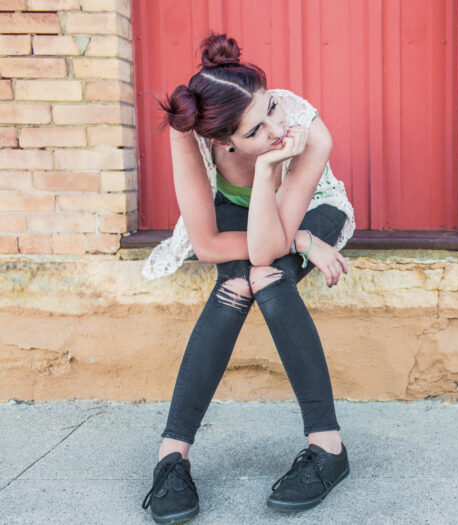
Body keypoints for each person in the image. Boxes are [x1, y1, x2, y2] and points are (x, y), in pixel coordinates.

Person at [138, 31, 355, 523]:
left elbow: (268, 247)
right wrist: (294, 239)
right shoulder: (191, 134)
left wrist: (292, 223)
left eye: (272, 107)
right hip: (251, 224)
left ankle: (328, 447)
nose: (278, 128)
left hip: (313, 209)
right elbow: (212, 243)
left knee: (267, 278)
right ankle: (172, 459)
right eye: (256, 131)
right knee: (236, 284)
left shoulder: (305, 131)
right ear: (221, 141)